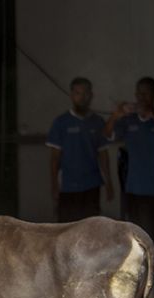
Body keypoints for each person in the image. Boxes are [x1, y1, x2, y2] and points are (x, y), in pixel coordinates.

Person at [103, 77, 154, 253]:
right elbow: (108, 135)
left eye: (146, 93)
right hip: (132, 186)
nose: (141, 97)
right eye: (139, 93)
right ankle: (137, 270)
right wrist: (116, 115)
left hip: (153, 186)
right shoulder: (129, 120)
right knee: (133, 232)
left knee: (152, 231)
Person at [47, 77, 113, 222]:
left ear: (91, 95)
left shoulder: (98, 122)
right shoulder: (61, 122)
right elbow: (55, 158)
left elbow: (103, 156)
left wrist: (109, 183)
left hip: (92, 185)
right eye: (77, 93)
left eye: (85, 93)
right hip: (68, 186)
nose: (82, 97)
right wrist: (54, 185)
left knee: (91, 230)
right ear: (71, 95)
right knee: (68, 229)